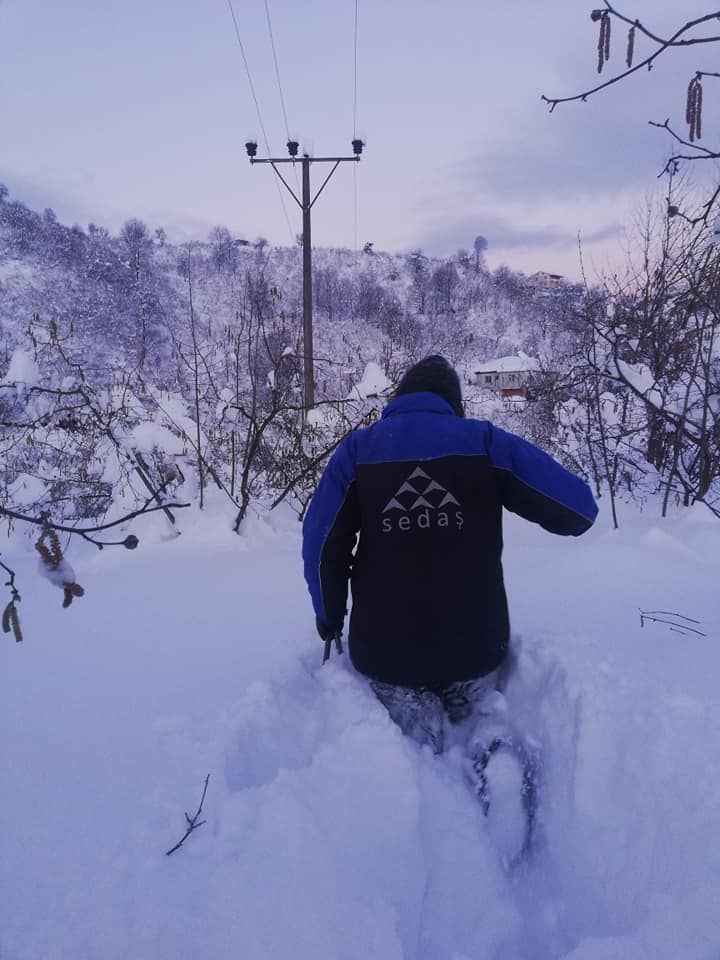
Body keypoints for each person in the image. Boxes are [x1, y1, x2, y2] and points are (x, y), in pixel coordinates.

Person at [302, 355, 598, 778]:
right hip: (476, 649)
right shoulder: (485, 443)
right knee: (474, 707)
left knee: (416, 749)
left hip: (387, 655)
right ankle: (487, 745)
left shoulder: (358, 451)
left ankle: (427, 774)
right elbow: (579, 511)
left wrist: (329, 619)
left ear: (399, 399)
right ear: (453, 403)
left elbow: (321, 547)